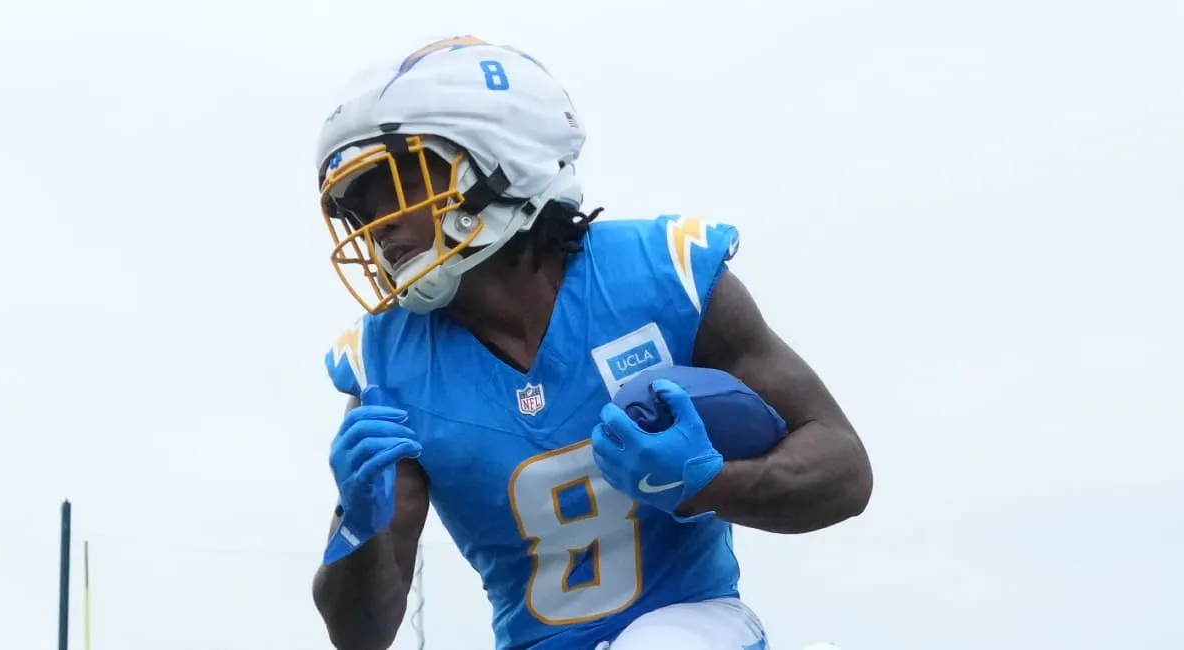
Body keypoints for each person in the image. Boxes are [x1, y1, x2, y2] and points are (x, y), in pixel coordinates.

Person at [309, 35, 873, 650]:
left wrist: (708, 485)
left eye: (396, 184)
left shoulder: (662, 276)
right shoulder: (387, 365)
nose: (378, 224)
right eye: (359, 208)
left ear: (503, 156)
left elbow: (844, 470)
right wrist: (355, 526)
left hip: (691, 624)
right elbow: (360, 637)